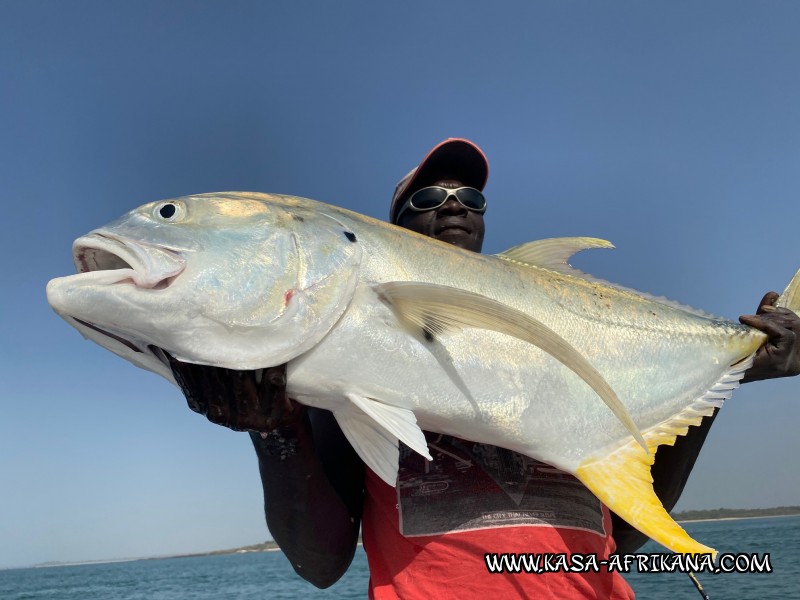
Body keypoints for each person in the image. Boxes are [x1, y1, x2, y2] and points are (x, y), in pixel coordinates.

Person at [171, 139, 800, 598]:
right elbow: (319, 563)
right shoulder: (345, 366)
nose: (454, 208)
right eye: (428, 197)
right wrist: (275, 434)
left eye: (470, 197)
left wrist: (728, 376)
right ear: (391, 230)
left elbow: (622, 540)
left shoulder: (568, 316)